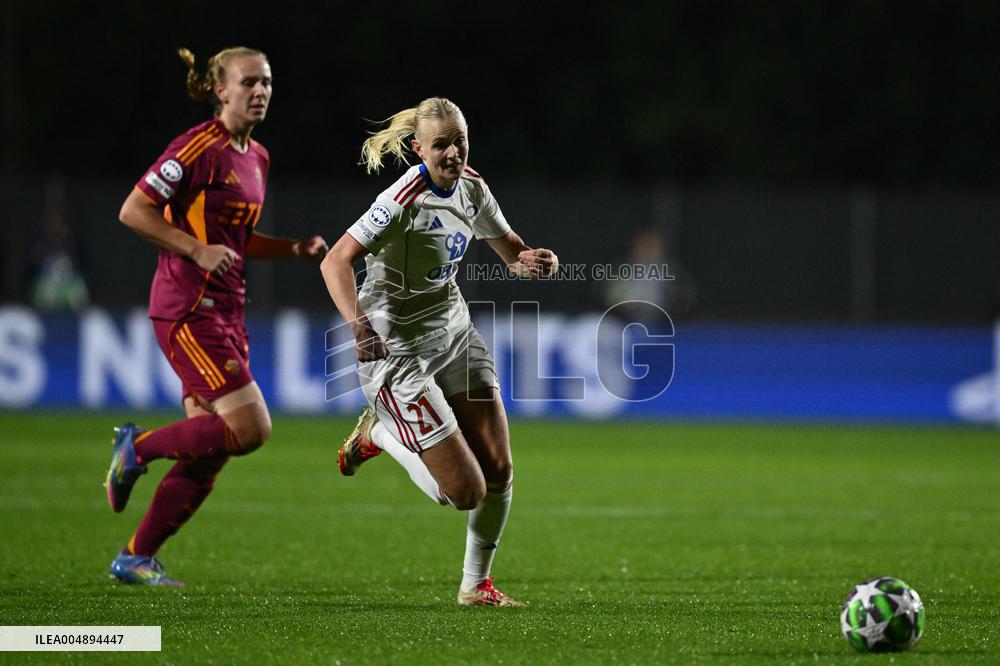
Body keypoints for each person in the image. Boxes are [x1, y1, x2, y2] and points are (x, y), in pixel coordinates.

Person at [320, 97, 558, 606]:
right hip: (397, 352)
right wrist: (359, 327)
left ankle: (476, 586)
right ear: (418, 149)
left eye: (460, 141)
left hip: (453, 334)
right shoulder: (403, 198)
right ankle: (379, 434)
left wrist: (531, 260)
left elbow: (511, 251)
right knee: (464, 492)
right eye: (441, 144)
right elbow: (335, 261)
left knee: (499, 469)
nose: (453, 152)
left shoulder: (473, 189)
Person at [103, 47, 328, 586]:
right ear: (220, 90)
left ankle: (136, 556)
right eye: (249, 82)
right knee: (250, 428)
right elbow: (133, 210)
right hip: (187, 307)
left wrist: (292, 249)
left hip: (228, 310)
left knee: (209, 450)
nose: (261, 91)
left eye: (268, 82)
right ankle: (135, 447)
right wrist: (194, 249)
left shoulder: (258, 158)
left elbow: (236, 240)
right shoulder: (197, 147)